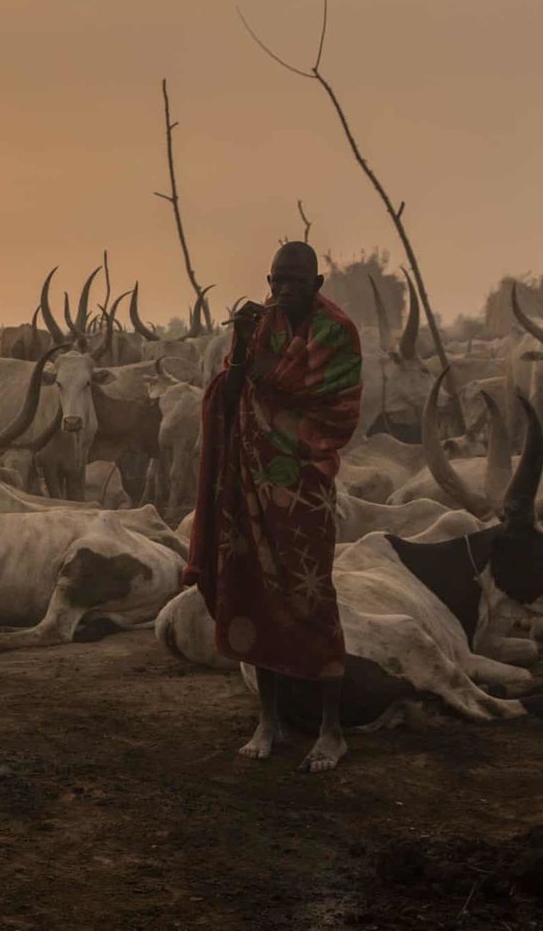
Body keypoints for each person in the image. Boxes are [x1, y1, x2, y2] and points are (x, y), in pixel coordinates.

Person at [183, 241, 363, 773]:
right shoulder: (259, 326)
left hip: (303, 484)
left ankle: (332, 730)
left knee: (312, 599)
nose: (284, 290)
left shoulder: (335, 332)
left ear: (317, 283)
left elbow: (329, 402)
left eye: (295, 281)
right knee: (253, 591)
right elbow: (233, 389)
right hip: (249, 479)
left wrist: (262, 369)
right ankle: (269, 721)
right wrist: (239, 345)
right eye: (277, 280)